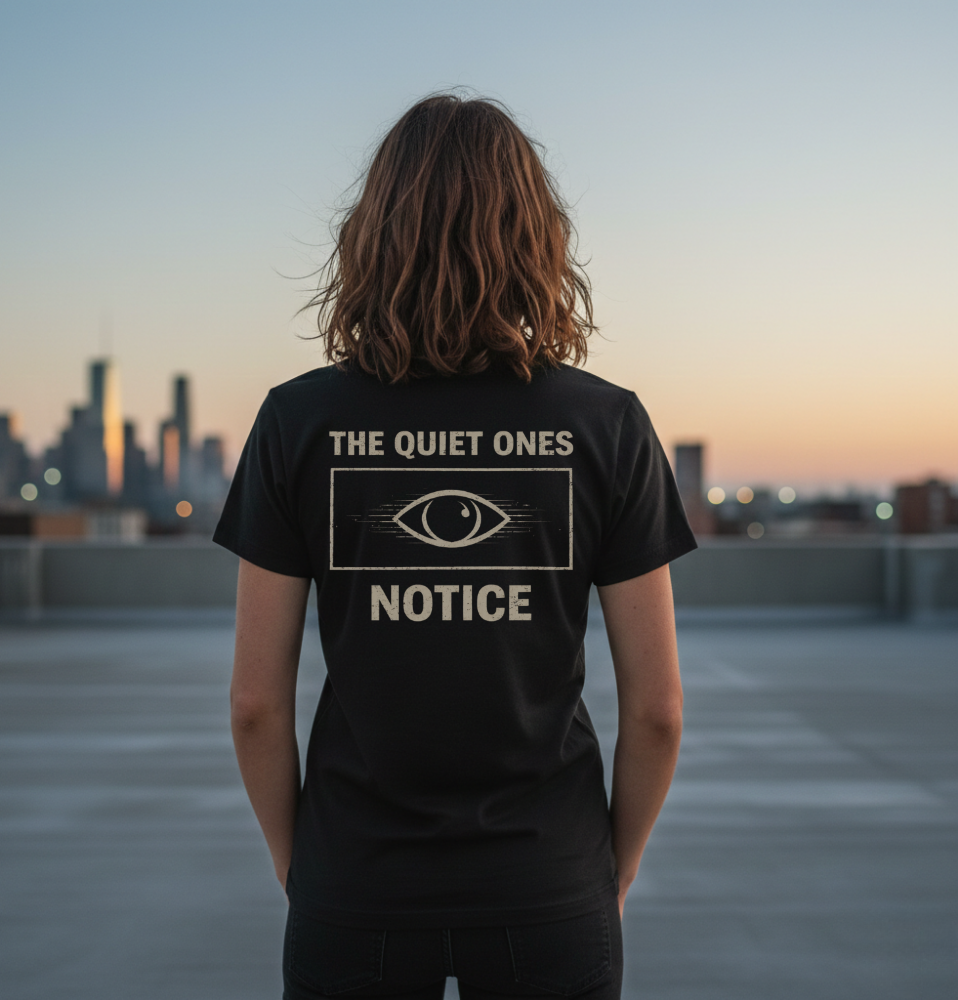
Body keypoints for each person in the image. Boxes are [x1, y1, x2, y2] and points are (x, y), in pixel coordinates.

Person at [213, 93, 696, 1000]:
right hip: (548, 883)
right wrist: (608, 872)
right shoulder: (607, 425)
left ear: (374, 232)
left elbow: (252, 703)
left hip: (355, 882)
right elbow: (660, 709)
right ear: (536, 235)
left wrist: (302, 869)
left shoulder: (299, 421)